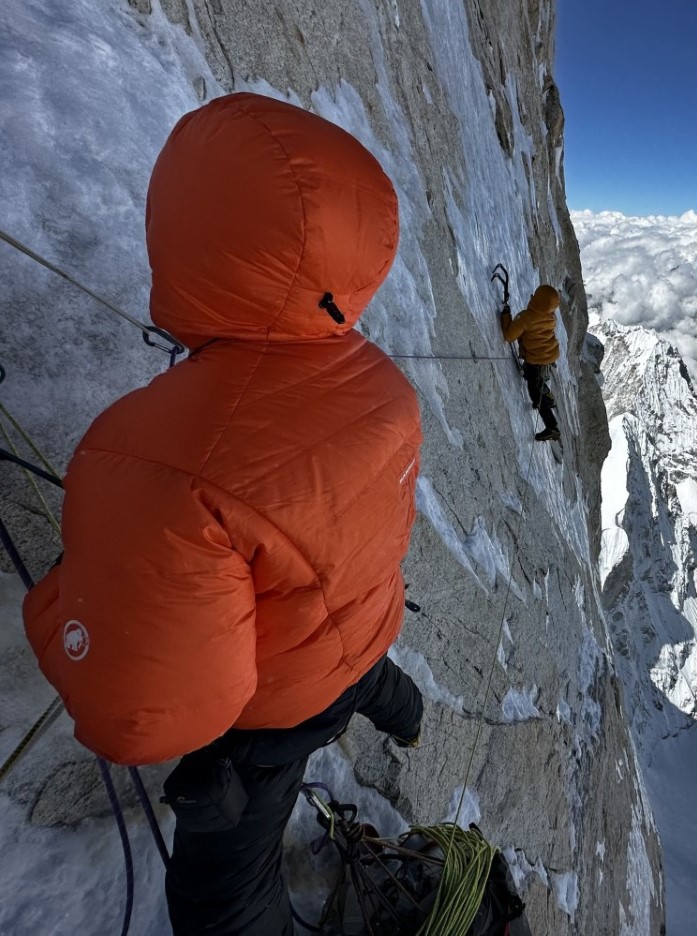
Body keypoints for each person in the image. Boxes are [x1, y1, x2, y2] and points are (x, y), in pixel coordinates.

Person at [22, 92, 424, 935]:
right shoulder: (383, 384)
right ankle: (405, 714)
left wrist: (63, 597)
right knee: (362, 679)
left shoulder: (157, 461)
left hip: (279, 713)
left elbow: (142, 716)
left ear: (189, 236)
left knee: (220, 908)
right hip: (363, 636)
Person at [500, 284, 562, 441]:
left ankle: (552, 427)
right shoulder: (550, 317)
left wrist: (506, 316)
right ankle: (547, 398)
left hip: (535, 358)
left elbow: (509, 336)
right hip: (548, 355)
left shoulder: (526, 317)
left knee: (534, 391)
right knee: (534, 377)